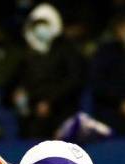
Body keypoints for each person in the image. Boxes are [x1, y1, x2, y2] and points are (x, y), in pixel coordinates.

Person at [5, 4, 85, 140]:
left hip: (63, 114)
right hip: (34, 120)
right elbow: (10, 87)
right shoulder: (27, 57)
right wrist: (17, 94)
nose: (41, 29)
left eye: (44, 24)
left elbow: (74, 80)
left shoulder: (66, 51)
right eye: (37, 25)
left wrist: (50, 102)